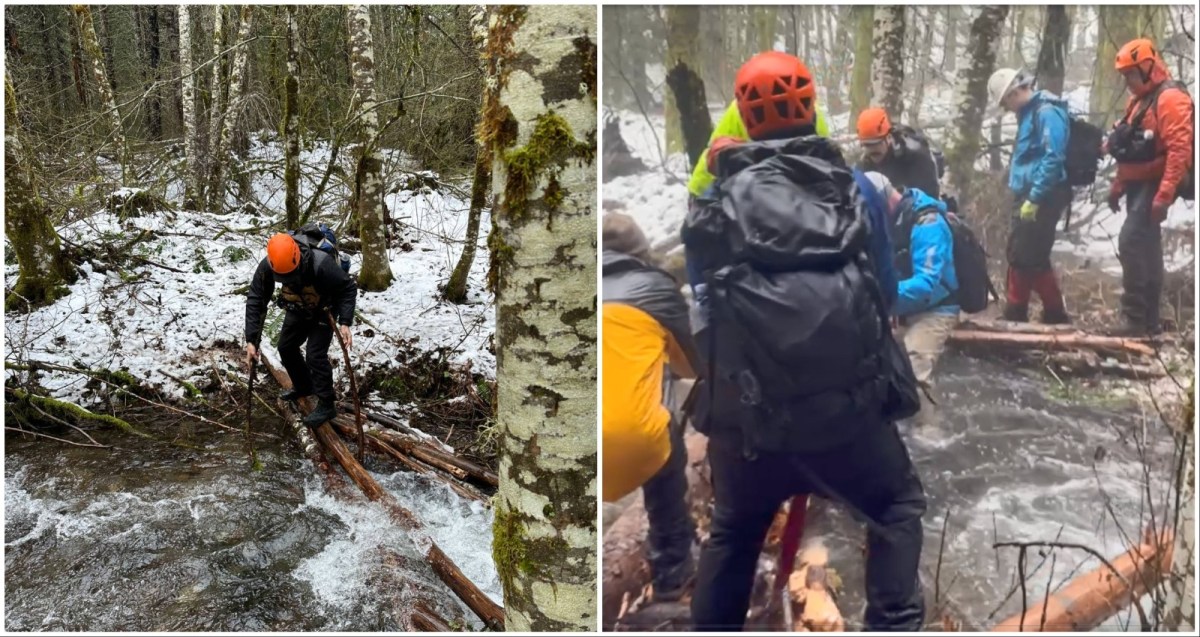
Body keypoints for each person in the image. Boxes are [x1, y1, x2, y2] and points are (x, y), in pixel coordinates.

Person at [684, 51, 926, 632]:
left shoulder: (713, 198)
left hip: (750, 427)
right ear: (812, 107)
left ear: (741, 117)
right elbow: (885, 294)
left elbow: (703, 305)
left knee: (734, 537)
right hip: (850, 420)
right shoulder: (858, 188)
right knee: (897, 509)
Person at [601, 212, 700, 601]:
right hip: (636, 444)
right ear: (641, 252)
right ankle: (672, 573)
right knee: (666, 451)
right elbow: (692, 366)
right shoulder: (655, 289)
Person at [1105, 38, 1195, 336]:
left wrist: (1164, 195)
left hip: (1157, 182)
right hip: (1140, 181)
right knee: (1147, 244)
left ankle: (1134, 318)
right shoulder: (1139, 100)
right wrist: (1118, 185)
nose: (1128, 82)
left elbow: (1180, 150)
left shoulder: (1170, 98)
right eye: (1125, 77)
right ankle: (1149, 321)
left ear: (1147, 68)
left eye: (1131, 74)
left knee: (1131, 240)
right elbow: (1129, 147)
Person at [863, 172, 959, 428]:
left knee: (916, 369)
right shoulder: (886, 220)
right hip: (901, 306)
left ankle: (932, 433)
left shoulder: (928, 223)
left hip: (937, 308)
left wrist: (883, 296)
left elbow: (926, 283)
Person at [245, 232, 357, 426]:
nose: (287, 278)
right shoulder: (268, 266)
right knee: (286, 347)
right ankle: (304, 387)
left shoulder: (321, 263)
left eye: (290, 274)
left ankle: (326, 404)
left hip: (324, 308)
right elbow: (257, 299)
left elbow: (348, 288)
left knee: (314, 355)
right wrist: (251, 340)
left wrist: (345, 322)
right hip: (297, 305)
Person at [987, 68, 1071, 325]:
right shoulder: (1028, 114)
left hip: (1045, 193)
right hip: (1028, 192)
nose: (1008, 108)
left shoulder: (1046, 112)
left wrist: (1034, 198)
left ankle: (1051, 315)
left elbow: (1053, 157)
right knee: (1019, 252)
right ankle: (1019, 311)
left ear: (1014, 92)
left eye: (1006, 102)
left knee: (1029, 256)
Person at [686, 95, 831, 200]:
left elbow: (713, 156)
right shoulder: (809, 108)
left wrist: (697, 195)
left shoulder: (739, 108)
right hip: (790, 192)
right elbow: (826, 157)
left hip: (749, 193)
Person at [856, 107, 943, 199]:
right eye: (867, 145)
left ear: (888, 138)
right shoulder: (864, 166)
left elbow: (930, 198)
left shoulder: (915, 158)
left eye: (877, 143)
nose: (872, 149)